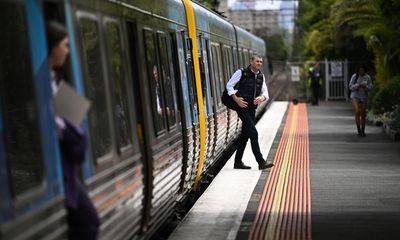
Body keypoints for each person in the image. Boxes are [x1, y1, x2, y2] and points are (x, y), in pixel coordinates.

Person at [46, 21, 100, 239]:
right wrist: (71, 130)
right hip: (65, 172)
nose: (67, 51)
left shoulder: (52, 81)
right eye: (65, 45)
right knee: (89, 223)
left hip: (69, 169)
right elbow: (61, 127)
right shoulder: (45, 83)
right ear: (53, 47)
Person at [226, 54, 274, 170]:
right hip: (242, 107)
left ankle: (237, 162)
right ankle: (261, 161)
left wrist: (261, 98)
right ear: (251, 61)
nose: (259, 63)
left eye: (261, 62)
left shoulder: (261, 76)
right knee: (253, 133)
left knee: (245, 136)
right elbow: (229, 86)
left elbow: (265, 93)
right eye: (257, 61)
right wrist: (236, 99)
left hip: (252, 108)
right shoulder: (241, 72)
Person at [349, 64, 373, 137]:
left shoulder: (367, 77)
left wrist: (366, 87)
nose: (361, 72)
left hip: (364, 97)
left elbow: (371, 87)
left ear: (365, 71)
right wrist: (357, 85)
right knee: (357, 112)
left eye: (362, 70)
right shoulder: (354, 76)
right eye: (359, 70)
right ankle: (358, 130)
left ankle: (363, 131)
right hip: (355, 96)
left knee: (363, 114)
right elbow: (350, 87)